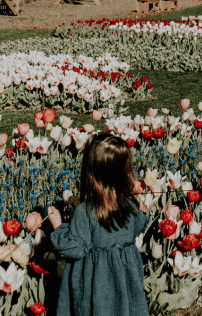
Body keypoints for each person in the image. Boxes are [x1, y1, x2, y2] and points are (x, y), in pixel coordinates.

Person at [48, 133, 149, 316]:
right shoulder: (131, 205)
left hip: (96, 285)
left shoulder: (85, 212)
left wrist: (58, 225)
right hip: (125, 281)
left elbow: (73, 247)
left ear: (91, 171)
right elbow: (133, 228)